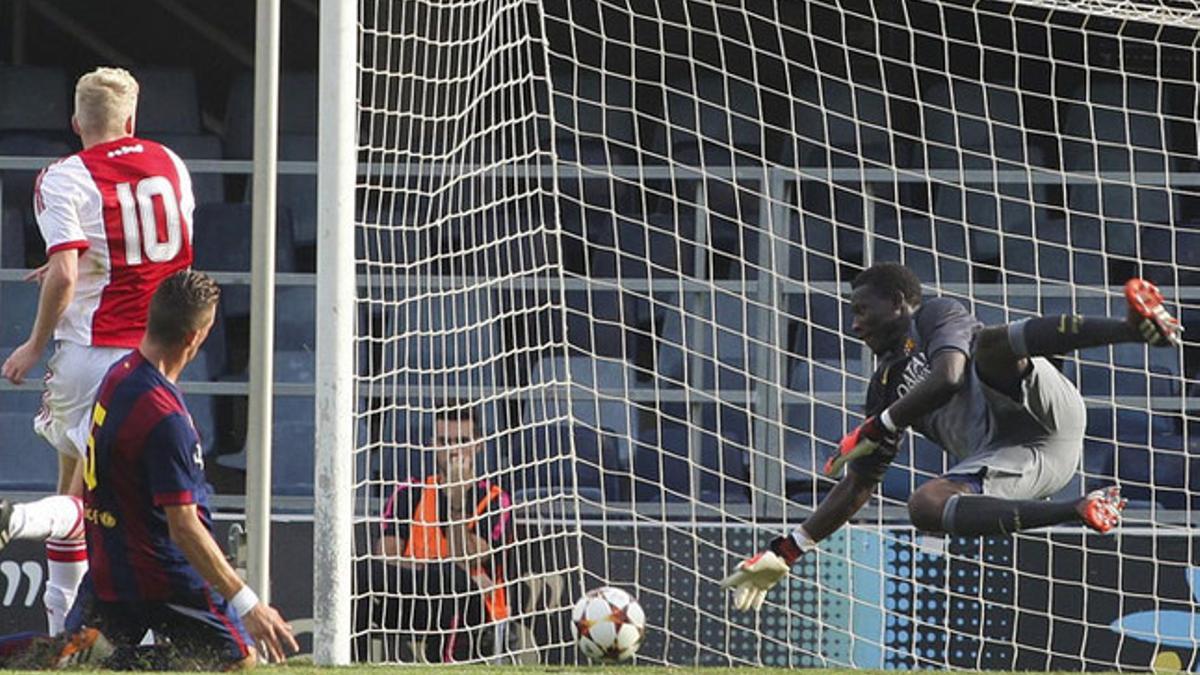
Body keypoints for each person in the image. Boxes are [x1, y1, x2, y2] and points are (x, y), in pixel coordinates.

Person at [722, 263, 1183, 611]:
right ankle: (1079, 508)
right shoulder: (883, 391)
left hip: (1044, 410)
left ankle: (1134, 329)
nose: (854, 324)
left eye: (862, 310)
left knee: (990, 345)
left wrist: (880, 426)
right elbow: (859, 485)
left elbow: (949, 375)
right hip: (1020, 456)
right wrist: (789, 548)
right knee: (924, 505)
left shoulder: (936, 316)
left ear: (898, 302)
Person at [4, 270, 296, 670]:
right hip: (165, 576)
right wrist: (248, 603)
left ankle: (103, 659)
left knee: (64, 657)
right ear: (195, 337)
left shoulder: (117, 378)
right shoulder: (164, 417)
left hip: (112, 567)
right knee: (237, 661)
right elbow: (184, 527)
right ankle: (112, 663)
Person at [0, 66, 196, 634]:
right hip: (153, 357)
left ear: (74, 122)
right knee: (120, 499)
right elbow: (160, 256)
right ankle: (88, 633)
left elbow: (65, 272)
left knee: (77, 492)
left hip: (91, 354)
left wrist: (34, 345)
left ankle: (26, 533)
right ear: (131, 120)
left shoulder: (63, 177)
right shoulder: (171, 163)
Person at [354, 402, 513, 663]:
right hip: (414, 594)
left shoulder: (495, 500)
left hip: (472, 606)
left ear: (478, 445)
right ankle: (350, 662)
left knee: (450, 576)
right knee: (361, 571)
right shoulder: (409, 492)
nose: (453, 450)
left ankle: (445, 662)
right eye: (444, 441)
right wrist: (428, 568)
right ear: (432, 445)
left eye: (462, 441)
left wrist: (456, 503)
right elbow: (386, 555)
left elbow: (465, 560)